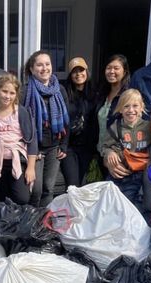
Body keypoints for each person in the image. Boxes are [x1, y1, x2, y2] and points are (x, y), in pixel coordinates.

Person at [22, 50, 69, 207]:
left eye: (47, 64)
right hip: (35, 149)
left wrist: (64, 145)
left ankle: (43, 225)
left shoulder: (59, 90)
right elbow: (20, 123)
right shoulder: (25, 91)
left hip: (54, 147)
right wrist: (30, 150)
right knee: (35, 189)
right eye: (39, 65)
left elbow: (66, 121)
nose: (44, 68)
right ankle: (31, 221)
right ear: (32, 69)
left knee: (48, 188)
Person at [0, 74, 37, 205]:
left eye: (12, 93)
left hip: (17, 160)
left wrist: (31, 167)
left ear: (16, 95)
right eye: (4, 91)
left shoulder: (20, 112)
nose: (7, 96)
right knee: (1, 198)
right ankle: (7, 223)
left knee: (22, 197)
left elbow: (32, 140)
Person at [100, 89, 151, 205]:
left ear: (141, 108)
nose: (131, 110)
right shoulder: (115, 127)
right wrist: (109, 152)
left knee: (130, 204)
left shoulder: (149, 127)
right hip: (118, 173)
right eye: (126, 106)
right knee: (109, 201)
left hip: (139, 174)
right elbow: (104, 146)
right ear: (120, 109)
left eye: (135, 106)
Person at [61, 57, 96, 187]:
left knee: (83, 185)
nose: (78, 74)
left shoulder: (95, 93)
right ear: (70, 75)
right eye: (74, 72)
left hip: (87, 147)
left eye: (81, 70)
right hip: (69, 147)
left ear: (87, 72)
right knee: (72, 186)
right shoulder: (64, 93)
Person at [95, 54, 130, 156]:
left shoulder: (127, 97)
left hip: (117, 155)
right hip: (100, 151)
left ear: (124, 72)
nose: (111, 71)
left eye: (116, 68)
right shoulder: (101, 94)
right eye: (108, 68)